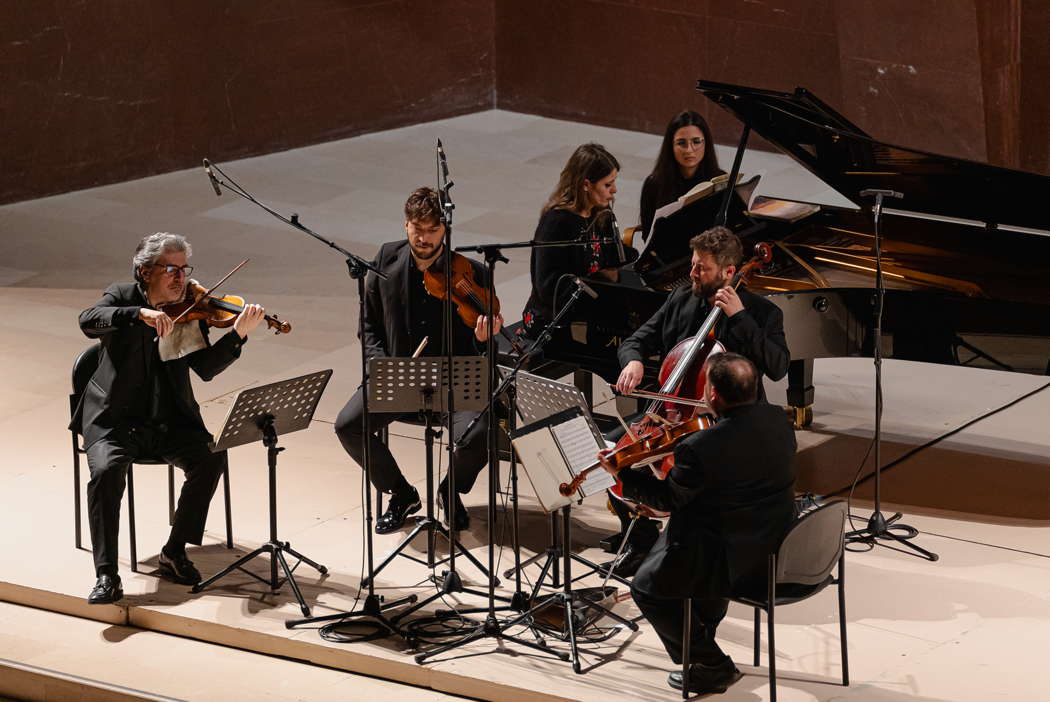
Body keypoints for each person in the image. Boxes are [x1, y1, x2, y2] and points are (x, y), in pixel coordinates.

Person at [72, 232, 266, 604]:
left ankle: (174, 551)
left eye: (184, 269)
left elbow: (207, 368)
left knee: (210, 459)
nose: (181, 278)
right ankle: (106, 574)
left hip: (169, 421)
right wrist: (139, 314)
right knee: (108, 472)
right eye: (171, 269)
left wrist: (238, 335)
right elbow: (88, 320)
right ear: (146, 272)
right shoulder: (122, 296)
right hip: (115, 420)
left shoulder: (188, 310)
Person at [604, 353, 797, 695]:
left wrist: (623, 474)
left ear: (712, 395)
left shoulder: (700, 445)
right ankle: (701, 635)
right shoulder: (779, 420)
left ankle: (712, 663)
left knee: (646, 588)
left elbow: (667, 500)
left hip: (724, 554)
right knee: (691, 565)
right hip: (773, 547)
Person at [604, 225, 790, 577]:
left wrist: (740, 317)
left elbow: (778, 367)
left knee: (681, 474)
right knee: (612, 448)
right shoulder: (681, 298)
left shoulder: (763, 314)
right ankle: (640, 540)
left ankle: (685, 544)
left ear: (729, 272)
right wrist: (633, 359)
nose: (691, 273)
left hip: (728, 423)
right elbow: (637, 339)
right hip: (672, 412)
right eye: (692, 264)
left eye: (701, 268)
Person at [334, 187, 502, 535]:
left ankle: (449, 488)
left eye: (432, 230)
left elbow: (483, 350)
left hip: (456, 380)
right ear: (405, 224)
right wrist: (378, 367)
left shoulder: (472, 273)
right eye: (416, 228)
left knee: (481, 434)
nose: (423, 238)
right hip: (400, 375)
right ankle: (402, 493)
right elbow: (368, 326)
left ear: (446, 230)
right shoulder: (385, 259)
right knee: (347, 425)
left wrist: (483, 339)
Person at [519, 143, 632, 364]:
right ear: (586, 184)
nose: (614, 190)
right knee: (611, 352)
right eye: (608, 184)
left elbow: (612, 257)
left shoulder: (601, 214)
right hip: (554, 321)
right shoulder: (556, 223)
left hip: (589, 311)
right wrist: (599, 282)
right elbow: (547, 287)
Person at [638, 110, 723, 238]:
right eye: (681, 143)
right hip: (669, 254)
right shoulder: (654, 184)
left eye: (696, 141)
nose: (689, 150)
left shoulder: (720, 180)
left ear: (706, 143)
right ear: (671, 146)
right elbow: (647, 235)